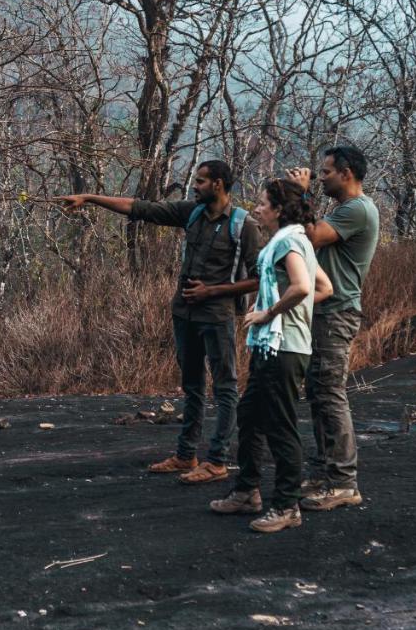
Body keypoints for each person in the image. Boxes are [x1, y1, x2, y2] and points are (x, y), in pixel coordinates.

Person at [58, 161, 262, 484]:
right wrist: (89, 198)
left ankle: (218, 460)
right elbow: (141, 209)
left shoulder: (243, 225)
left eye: (201, 181)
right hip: (185, 314)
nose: (194, 186)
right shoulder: (191, 213)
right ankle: (186, 455)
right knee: (192, 386)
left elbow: (258, 278)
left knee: (225, 387)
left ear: (219, 184)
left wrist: (213, 290)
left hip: (217, 316)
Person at [210, 179, 332, 533]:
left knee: (280, 425)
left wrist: (270, 312)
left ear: (279, 210)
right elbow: (324, 288)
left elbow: (304, 287)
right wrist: (291, 308)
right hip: (273, 346)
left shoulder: (290, 242)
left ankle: (286, 505)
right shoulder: (294, 241)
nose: (258, 209)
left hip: (286, 347)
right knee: (249, 415)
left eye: (263, 204)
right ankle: (248, 490)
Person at [286, 146, 379, 512]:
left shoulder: (357, 209)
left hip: (337, 313)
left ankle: (343, 482)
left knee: (329, 393)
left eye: (326, 173)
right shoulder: (346, 209)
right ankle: (327, 472)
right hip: (324, 312)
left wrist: (301, 193)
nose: (321, 177)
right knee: (319, 393)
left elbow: (309, 236)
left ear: (347, 173)